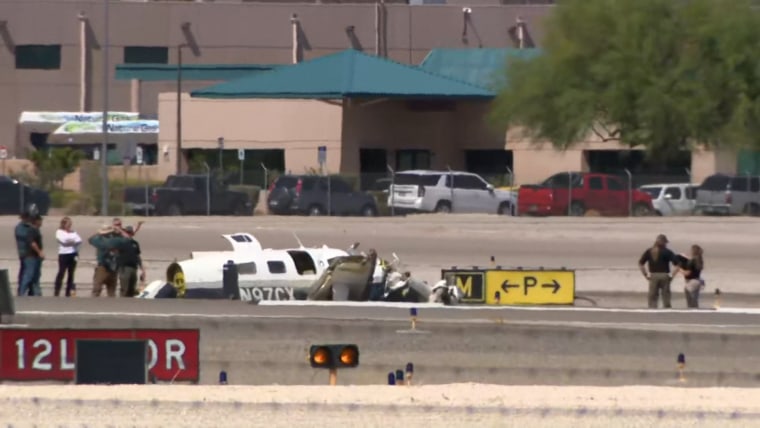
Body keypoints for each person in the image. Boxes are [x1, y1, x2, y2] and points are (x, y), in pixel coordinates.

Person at [638, 234, 679, 309]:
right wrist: (672, 275)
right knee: (666, 296)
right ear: (664, 242)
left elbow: (641, 263)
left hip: (653, 275)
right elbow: (677, 265)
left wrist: (645, 274)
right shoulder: (667, 252)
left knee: (652, 296)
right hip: (664, 275)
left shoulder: (649, 251)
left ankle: (652, 310)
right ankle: (667, 310)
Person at [88, 225, 130, 297]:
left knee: (96, 290)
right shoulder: (116, 240)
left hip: (102, 268)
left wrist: (97, 233)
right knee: (111, 292)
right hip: (113, 268)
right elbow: (128, 239)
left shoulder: (99, 240)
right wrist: (120, 231)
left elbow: (90, 239)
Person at [54, 217, 82, 297]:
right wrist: (72, 241)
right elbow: (63, 241)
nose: (69, 225)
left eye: (70, 224)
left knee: (71, 273)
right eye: (68, 224)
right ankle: (57, 291)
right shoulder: (59, 232)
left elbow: (79, 240)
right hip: (63, 254)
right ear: (64, 224)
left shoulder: (73, 232)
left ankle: (68, 292)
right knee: (61, 272)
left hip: (73, 254)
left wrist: (71, 241)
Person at [19, 214, 44, 297]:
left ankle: (36, 293)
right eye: (40, 220)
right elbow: (32, 243)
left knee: (36, 276)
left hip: (36, 257)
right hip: (30, 256)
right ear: (36, 221)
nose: (41, 222)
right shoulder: (32, 230)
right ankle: (21, 293)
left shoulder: (36, 230)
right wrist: (39, 252)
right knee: (28, 275)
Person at [116, 225, 145, 298]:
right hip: (124, 268)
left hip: (134, 268)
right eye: (127, 232)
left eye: (130, 232)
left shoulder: (135, 243)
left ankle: (130, 303)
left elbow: (138, 256)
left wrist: (142, 269)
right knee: (124, 289)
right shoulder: (121, 242)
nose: (129, 234)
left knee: (132, 289)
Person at [14, 211, 32, 294]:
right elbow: (25, 236)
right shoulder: (19, 227)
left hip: (29, 252)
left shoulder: (28, 226)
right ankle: (21, 288)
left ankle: (26, 288)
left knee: (26, 269)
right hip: (23, 252)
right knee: (24, 270)